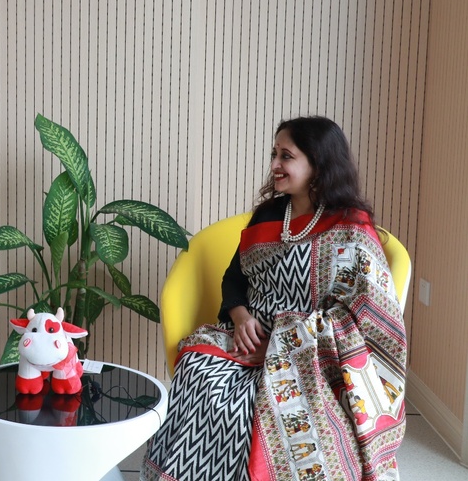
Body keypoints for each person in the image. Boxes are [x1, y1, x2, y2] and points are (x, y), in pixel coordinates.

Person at [142, 116, 406, 481]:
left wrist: (284, 346)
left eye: (286, 156)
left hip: (313, 357)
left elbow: (366, 317)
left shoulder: (351, 228)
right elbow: (234, 278)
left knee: (256, 409)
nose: (274, 165)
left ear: (318, 164)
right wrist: (240, 317)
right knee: (198, 372)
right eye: (274, 154)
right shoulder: (268, 216)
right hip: (247, 338)